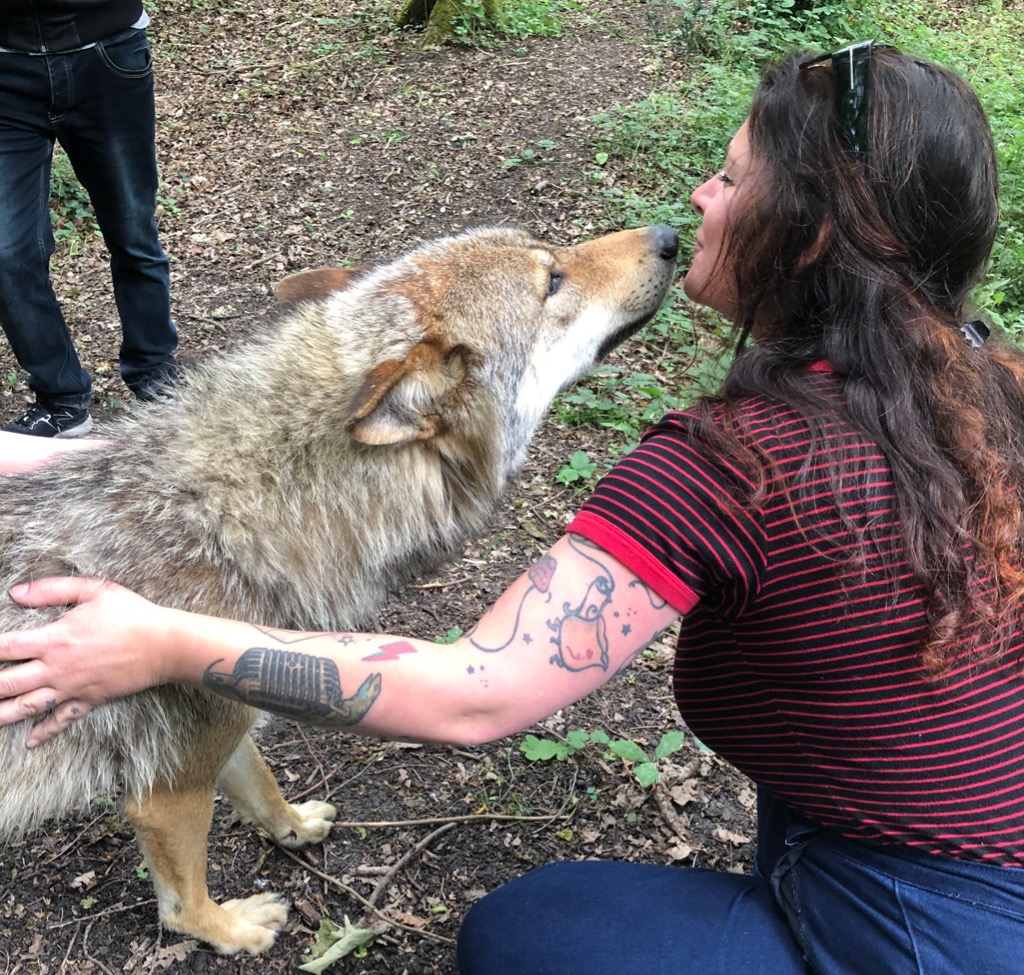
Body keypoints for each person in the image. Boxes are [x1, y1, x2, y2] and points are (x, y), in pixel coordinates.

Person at [1, 41, 1022, 973]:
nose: (695, 204)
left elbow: (478, 693)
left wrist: (158, 643)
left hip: (932, 920)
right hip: (932, 831)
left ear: (807, 240)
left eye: (731, 179)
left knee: (526, 937)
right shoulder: (987, 378)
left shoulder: (732, 466)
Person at [0, 0, 179, 438]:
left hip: (106, 55)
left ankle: (155, 374)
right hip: (5, 72)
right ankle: (61, 401)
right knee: (6, 251)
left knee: (132, 229)